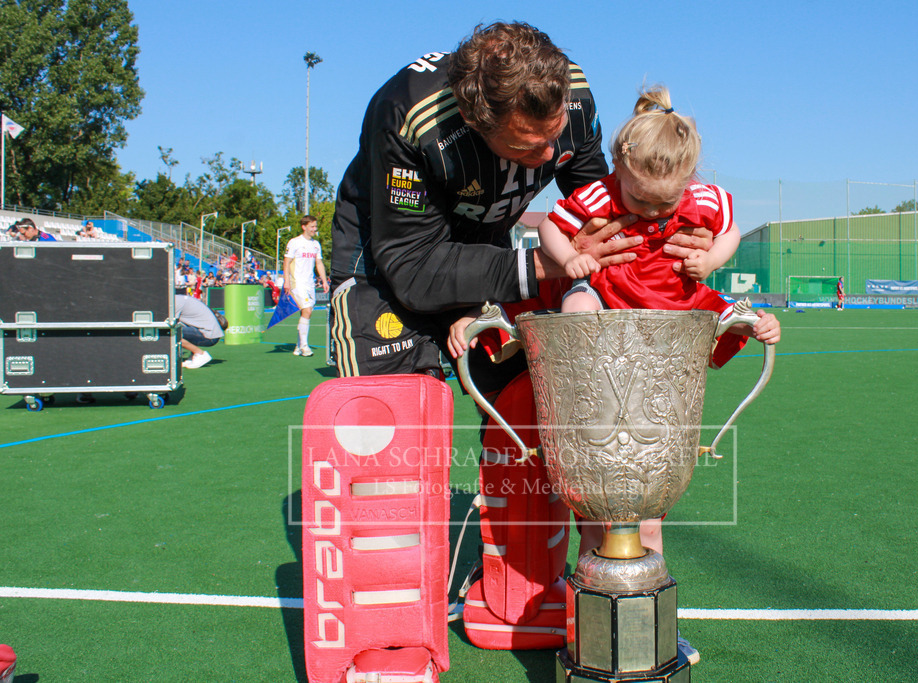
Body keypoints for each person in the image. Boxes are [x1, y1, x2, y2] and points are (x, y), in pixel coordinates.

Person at [449, 85, 781, 559]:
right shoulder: (598, 202)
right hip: (598, 379)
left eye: (663, 205)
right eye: (640, 200)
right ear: (617, 168)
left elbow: (726, 239)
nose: (650, 214)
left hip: (659, 376)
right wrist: (566, 263)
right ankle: (587, 622)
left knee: (646, 527)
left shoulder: (700, 208)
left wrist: (712, 262)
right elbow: (548, 238)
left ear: (688, 181)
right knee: (576, 309)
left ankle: (647, 627)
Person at [328, 21, 713, 389]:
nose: (548, 155)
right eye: (525, 146)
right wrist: (547, 262)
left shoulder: (575, 98)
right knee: (395, 423)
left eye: (555, 134)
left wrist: (676, 233)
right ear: (472, 120)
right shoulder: (410, 115)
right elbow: (413, 267)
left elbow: (604, 215)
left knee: (530, 409)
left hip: (487, 255)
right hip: (388, 268)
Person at [283, 215, 328, 356]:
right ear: (304, 227)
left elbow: (319, 263)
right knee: (307, 310)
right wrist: (286, 281)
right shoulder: (294, 242)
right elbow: (286, 262)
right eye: (312, 226)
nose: (315, 229)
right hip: (297, 282)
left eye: (315, 226)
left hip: (310, 283)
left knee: (307, 312)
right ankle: (304, 346)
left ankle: (298, 346)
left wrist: (324, 280)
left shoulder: (316, 244)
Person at [175, 294, 227, 369]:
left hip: (209, 336)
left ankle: (200, 354)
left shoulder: (175, 303)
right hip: (209, 333)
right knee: (177, 329)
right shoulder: (178, 299)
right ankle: (193, 356)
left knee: (173, 333)